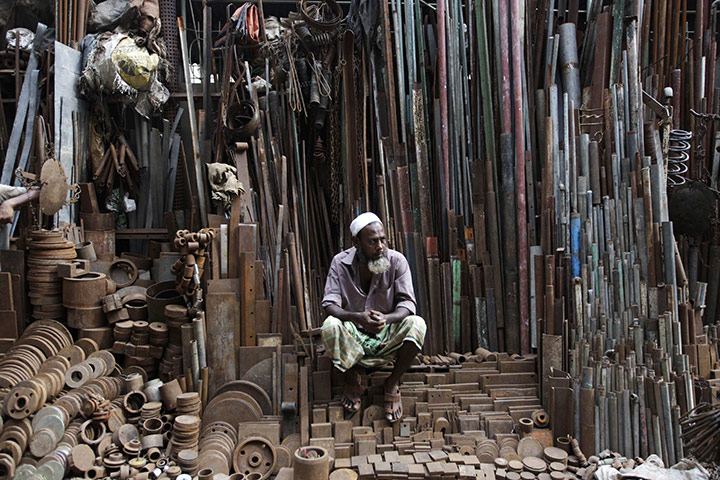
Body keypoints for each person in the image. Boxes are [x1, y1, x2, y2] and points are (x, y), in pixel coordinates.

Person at [321, 212, 426, 423]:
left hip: (386, 334)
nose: (380, 246)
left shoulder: (397, 261)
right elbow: (329, 304)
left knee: (417, 323)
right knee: (330, 325)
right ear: (356, 242)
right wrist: (357, 317)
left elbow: (408, 304)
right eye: (372, 242)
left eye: (382, 240)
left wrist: (387, 319)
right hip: (354, 335)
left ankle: (392, 382)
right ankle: (351, 379)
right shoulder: (339, 263)